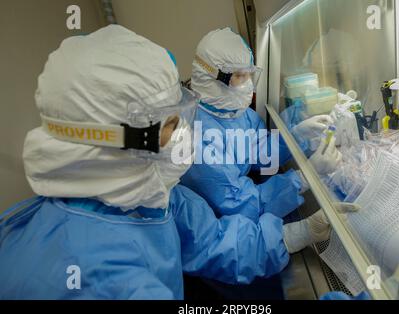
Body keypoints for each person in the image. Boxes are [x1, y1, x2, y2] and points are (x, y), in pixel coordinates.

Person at [0, 25, 334, 299]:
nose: (183, 135)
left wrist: (296, 233)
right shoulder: (100, 281)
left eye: (180, 115)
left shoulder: (150, 195)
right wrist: (299, 182)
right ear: (114, 142)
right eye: (169, 125)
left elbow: (212, 240)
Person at [180, 28, 342, 223]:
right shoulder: (196, 139)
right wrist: (304, 178)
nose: (248, 85)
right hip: (223, 225)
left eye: (250, 74)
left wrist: (295, 136)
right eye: (239, 76)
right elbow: (238, 204)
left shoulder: (236, 113)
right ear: (212, 79)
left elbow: (259, 153)